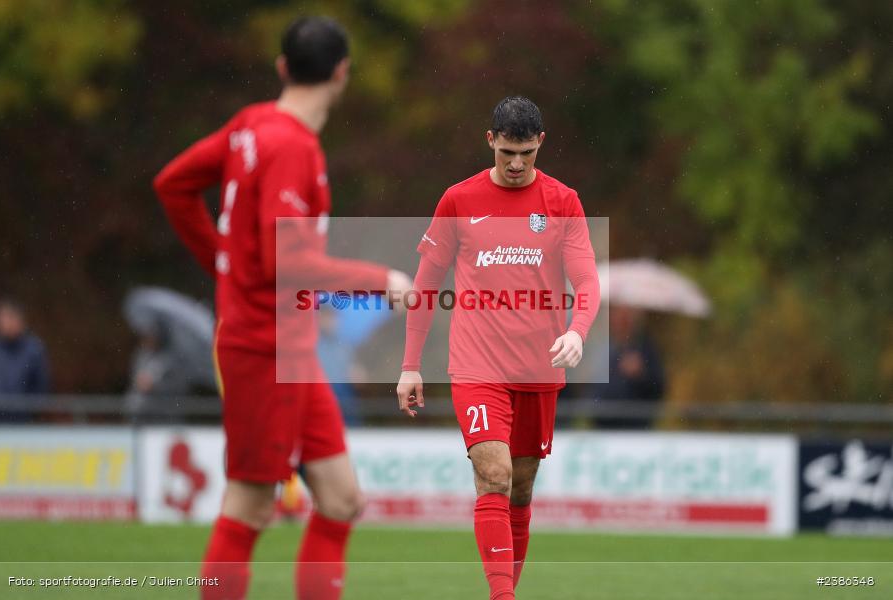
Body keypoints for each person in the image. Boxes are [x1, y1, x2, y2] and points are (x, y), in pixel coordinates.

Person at [153, 16, 412, 600]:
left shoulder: (252, 125)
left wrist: (224, 262)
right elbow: (286, 263)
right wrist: (380, 280)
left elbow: (173, 184)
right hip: (262, 350)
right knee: (249, 505)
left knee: (342, 499)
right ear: (342, 72)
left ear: (281, 67)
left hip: (289, 348)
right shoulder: (291, 146)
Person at [396, 97, 600, 600]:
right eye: (507, 151)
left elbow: (587, 279)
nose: (515, 164)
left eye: (526, 153)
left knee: (522, 488)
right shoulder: (458, 200)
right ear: (490, 141)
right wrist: (409, 365)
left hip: (538, 367)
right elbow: (425, 283)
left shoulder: (562, 202)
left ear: (541, 145)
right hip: (477, 365)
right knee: (494, 474)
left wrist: (577, 331)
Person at [586, 304, 665, 429]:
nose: (621, 320)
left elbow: (658, 388)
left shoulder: (645, 349)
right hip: (602, 428)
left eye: (626, 315)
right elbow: (588, 392)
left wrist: (641, 374)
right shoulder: (599, 348)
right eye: (617, 314)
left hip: (636, 429)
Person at [0, 298, 50, 418]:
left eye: (10, 318)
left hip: (23, 423)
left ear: (20, 320)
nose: (6, 324)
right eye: (2, 319)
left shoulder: (34, 350)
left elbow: (41, 386)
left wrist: (29, 409)